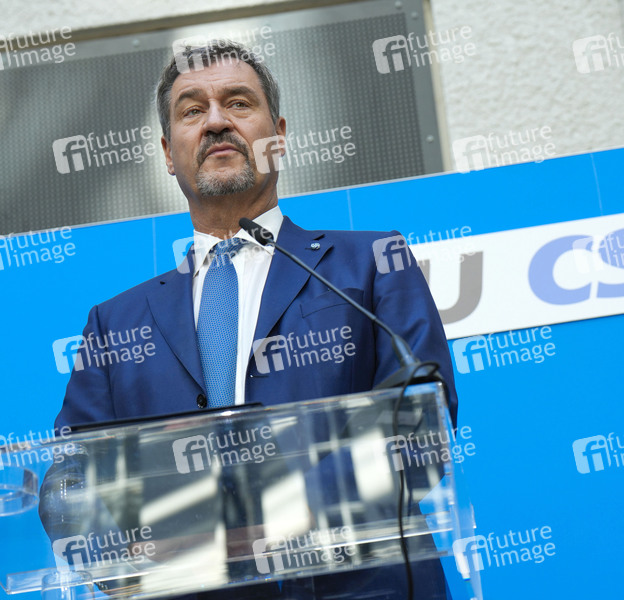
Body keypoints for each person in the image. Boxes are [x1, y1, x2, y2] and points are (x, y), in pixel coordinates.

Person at [43, 40, 458, 600]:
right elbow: (71, 476)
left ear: (277, 136)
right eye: (192, 110)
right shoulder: (113, 324)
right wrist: (123, 558)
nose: (216, 121)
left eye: (238, 103)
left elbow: (417, 423)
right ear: (168, 152)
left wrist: (263, 522)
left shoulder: (372, 263)